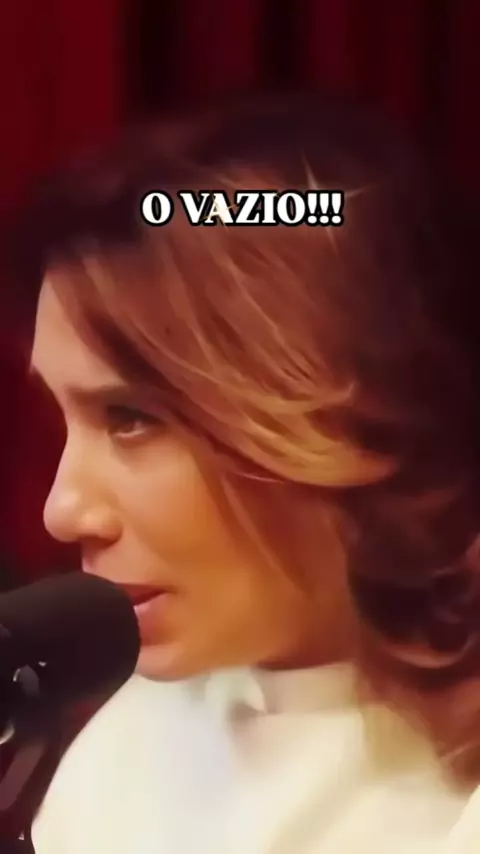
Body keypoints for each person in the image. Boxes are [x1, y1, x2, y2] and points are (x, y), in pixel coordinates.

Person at [12, 93, 480, 852]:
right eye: (66, 420)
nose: (62, 512)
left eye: (130, 418)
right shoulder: (119, 750)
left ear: (354, 412)